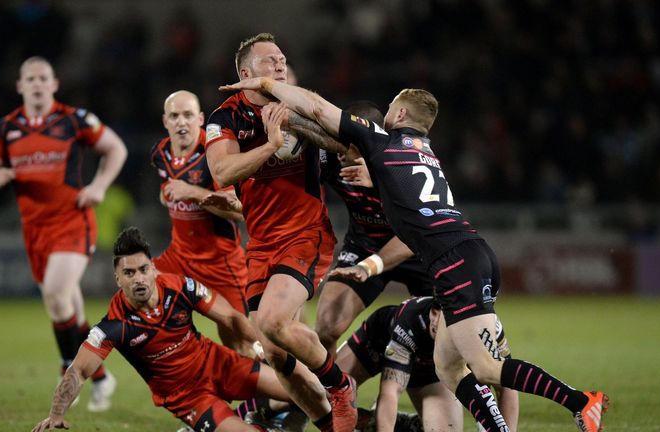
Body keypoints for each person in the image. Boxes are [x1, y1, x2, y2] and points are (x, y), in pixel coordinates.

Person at [219, 77, 609, 432]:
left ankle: (581, 402)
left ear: (400, 113)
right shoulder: (422, 151)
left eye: (392, 106)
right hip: (462, 253)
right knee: (450, 367)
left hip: (452, 259)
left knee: (489, 366)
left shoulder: (381, 142)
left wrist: (270, 85)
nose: (388, 111)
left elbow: (319, 110)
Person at [205, 33, 356, 432]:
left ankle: (341, 387)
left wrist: (297, 125)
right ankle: (331, 424)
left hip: (306, 232)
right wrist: (271, 145)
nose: (279, 65)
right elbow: (222, 172)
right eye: (269, 60)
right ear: (245, 73)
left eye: (282, 59)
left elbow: (342, 143)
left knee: (271, 322)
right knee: (272, 350)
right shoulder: (224, 118)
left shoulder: (296, 103)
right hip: (261, 243)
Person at [31, 227, 292, 432]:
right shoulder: (114, 325)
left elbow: (232, 318)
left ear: (154, 268)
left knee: (307, 390)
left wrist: (259, 346)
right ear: (118, 278)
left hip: (220, 365)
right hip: (189, 398)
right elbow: (78, 370)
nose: (138, 278)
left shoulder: (181, 287)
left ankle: (257, 411)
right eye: (129, 273)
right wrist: (57, 412)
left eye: (143, 269)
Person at [0, 56, 127, 412]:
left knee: (58, 296)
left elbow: (115, 148)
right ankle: (102, 378)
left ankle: (68, 371)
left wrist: (99, 186)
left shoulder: (74, 120)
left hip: (72, 221)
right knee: (67, 310)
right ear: (20, 86)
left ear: (54, 84)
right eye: (30, 78)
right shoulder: (7, 128)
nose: (37, 83)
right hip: (35, 230)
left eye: (43, 77)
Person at [313, 101, 436, 355]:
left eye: (346, 140)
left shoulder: (397, 163)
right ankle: (331, 389)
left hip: (416, 251)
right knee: (326, 329)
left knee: (453, 326)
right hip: (363, 245)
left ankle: (496, 381)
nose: (338, 147)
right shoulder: (332, 158)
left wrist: (368, 267)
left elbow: (411, 236)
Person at [150, 90, 249, 351]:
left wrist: (195, 193)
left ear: (201, 119)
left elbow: (239, 211)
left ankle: (273, 387)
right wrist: (168, 195)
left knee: (244, 339)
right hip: (179, 257)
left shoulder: (214, 155)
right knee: (141, 288)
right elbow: (168, 190)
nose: (181, 122)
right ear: (165, 121)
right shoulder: (160, 152)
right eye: (174, 116)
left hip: (221, 262)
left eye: (187, 115)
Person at [338, 297, 519, 432]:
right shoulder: (409, 323)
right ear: (434, 315)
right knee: (322, 394)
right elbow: (391, 391)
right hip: (377, 342)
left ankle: (406, 425)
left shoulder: (488, 328)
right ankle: (369, 420)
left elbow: (506, 386)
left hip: (430, 370)